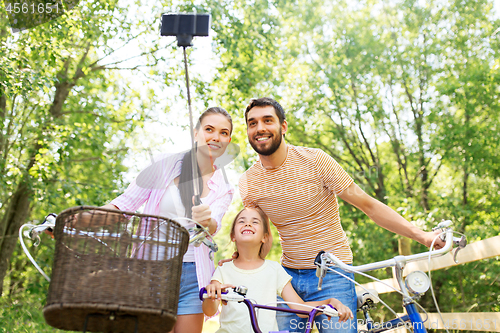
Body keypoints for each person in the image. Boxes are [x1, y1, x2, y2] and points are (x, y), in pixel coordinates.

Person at [237, 97, 446, 333]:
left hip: (333, 274)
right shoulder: (248, 182)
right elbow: (258, 236)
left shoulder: (315, 161)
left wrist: (424, 237)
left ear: (283, 126)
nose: (260, 128)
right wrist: (239, 260)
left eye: (268, 120)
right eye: (252, 123)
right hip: (287, 278)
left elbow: (369, 205)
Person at [102, 107, 234, 333]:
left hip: (194, 274)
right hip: (153, 268)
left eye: (223, 133)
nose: (215, 137)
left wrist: (207, 220)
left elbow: (215, 225)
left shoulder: (225, 188)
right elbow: (125, 203)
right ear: (196, 133)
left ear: (228, 140)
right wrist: (80, 219)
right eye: (209, 129)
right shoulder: (164, 164)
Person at [203, 207, 353, 333]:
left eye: (254, 222)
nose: (247, 224)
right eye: (242, 221)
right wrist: (211, 295)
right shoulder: (223, 269)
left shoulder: (274, 270)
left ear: (264, 237)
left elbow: (299, 308)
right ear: (233, 236)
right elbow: (209, 311)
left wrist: (330, 302)